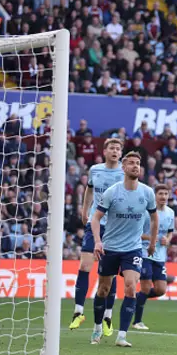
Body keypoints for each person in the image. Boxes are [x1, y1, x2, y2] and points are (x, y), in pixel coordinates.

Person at [90, 152, 158, 347]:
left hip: (133, 249)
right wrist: (97, 241)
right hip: (110, 248)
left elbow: (154, 218)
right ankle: (96, 328)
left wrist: (152, 243)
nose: (135, 166)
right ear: (123, 167)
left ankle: (122, 335)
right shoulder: (112, 192)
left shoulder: (147, 193)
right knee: (103, 289)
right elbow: (95, 218)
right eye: (131, 164)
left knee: (130, 287)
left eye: (138, 163)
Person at [69, 138, 125, 335]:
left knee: (109, 273)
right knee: (84, 265)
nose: (115, 151)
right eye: (112, 148)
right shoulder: (95, 170)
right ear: (105, 151)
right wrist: (85, 211)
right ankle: (78, 312)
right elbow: (89, 190)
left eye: (118, 149)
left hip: (115, 228)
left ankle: (108, 316)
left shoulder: (124, 173)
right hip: (95, 224)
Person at [133, 184, 175, 330]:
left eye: (166, 194)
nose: (163, 197)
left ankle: (135, 300)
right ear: (154, 196)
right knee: (145, 288)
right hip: (144, 253)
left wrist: (168, 240)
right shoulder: (146, 212)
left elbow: (170, 232)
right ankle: (137, 321)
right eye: (160, 194)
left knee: (160, 290)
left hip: (160, 256)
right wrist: (150, 237)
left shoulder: (170, 213)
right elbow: (135, 232)